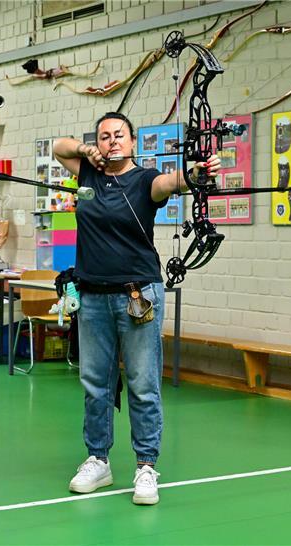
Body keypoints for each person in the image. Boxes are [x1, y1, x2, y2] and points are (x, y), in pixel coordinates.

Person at [52, 112, 220, 506]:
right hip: (92, 296)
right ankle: (98, 459)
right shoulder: (88, 174)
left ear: (132, 143)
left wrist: (194, 175)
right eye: (104, 136)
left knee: (143, 384)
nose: (111, 141)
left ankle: (146, 466)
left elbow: (169, 183)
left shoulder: (145, 180)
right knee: (95, 383)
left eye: (119, 135)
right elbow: (61, 147)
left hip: (137, 295)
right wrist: (85, 150)